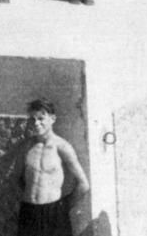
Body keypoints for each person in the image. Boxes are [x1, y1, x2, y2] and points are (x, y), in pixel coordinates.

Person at [13, 98, 90, 236]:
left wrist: (63, 208)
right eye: (32, 119)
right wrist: (24, 201)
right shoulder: (26, 147)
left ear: (52, 119)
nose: (36, 123)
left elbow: (83, 184)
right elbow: (16, 178)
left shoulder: (62, 147)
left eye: (41, 118)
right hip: (29, 212)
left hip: (55, 214)